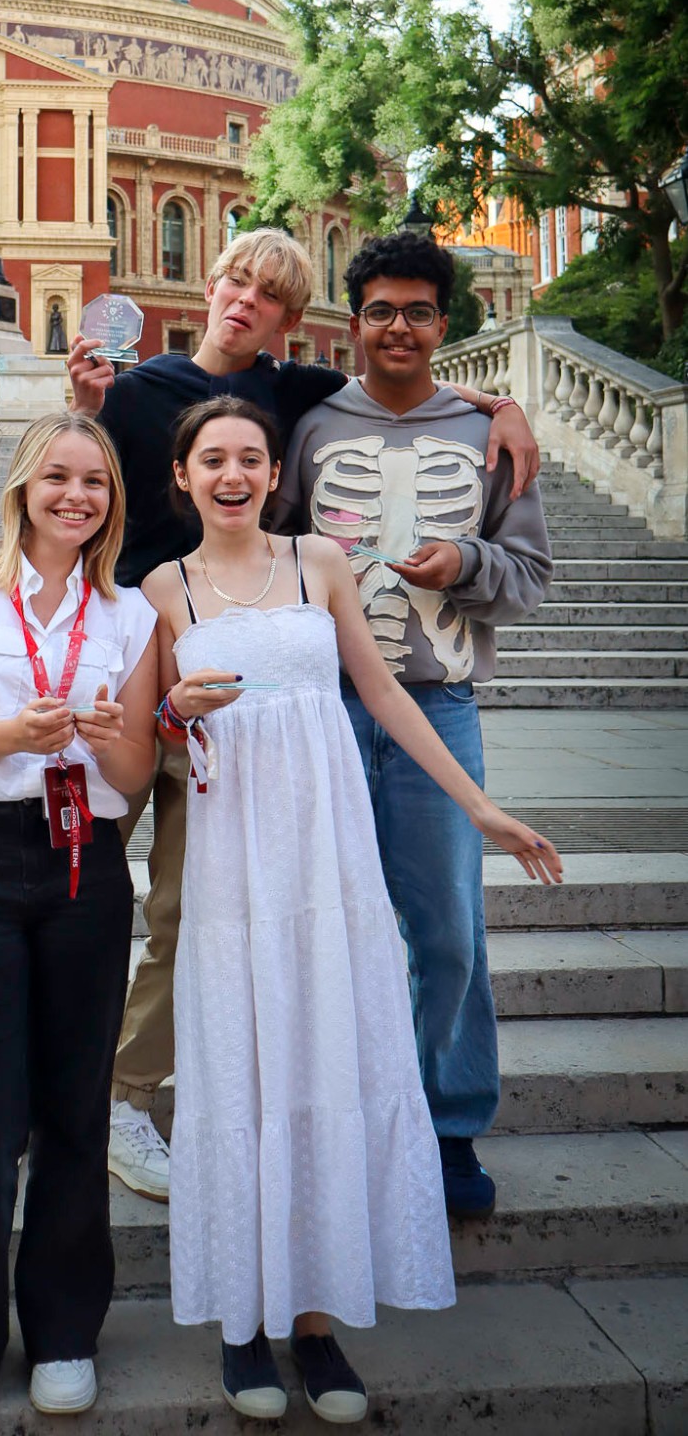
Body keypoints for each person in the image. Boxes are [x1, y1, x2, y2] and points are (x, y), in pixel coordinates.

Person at [66, 227, 541, 1203]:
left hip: (261, 690)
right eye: (236, 279)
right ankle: (64, 1089)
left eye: (271, 294)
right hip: (137, 664)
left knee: (222, 910)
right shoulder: (137, 393)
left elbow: (407, 399)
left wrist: (504, 406)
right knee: (88, 894)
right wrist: (79, 411)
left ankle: (423, 1124)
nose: (246, 300)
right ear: (212, 283)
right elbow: (69, 500)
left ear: (291, 319)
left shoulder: (298, 396)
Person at [145, 397, 561, 1425]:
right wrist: (170, 712)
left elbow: (382, 692)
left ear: (271, 472)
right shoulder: (159, 589)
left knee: (324, 1057)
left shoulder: (319, 562)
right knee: (242, 1063)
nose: (233, 474)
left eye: (250, 457)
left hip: (326, 858)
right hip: (234, 863)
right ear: (182, 476)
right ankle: (242, 1316)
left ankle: (315, 1319)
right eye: (212, 459)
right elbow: (146, 736)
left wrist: (477, 807)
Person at [273, 230, 553, 1219]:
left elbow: (530, 575)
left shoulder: (488, 436)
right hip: (322, 707)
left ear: (444, 323)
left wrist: (465, 563)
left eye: (418, 311)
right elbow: (267, 549)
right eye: (381, 311)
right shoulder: (309, 426)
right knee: (319, 924)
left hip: (438, 702)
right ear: (353, 322)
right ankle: (339, 1118)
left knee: (448, 929)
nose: (399, 327)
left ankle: (448, 1125)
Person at [0, 412, 159, 1418]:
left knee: (73, 1106)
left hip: (84, 862)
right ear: (21, 486)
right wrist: (13, 730)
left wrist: (106, 736)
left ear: (112, 501)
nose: (75, 496)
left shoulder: (130, 615)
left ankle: (62, 1329)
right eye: (57, 476)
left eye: (95, 481)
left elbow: (132, 773)